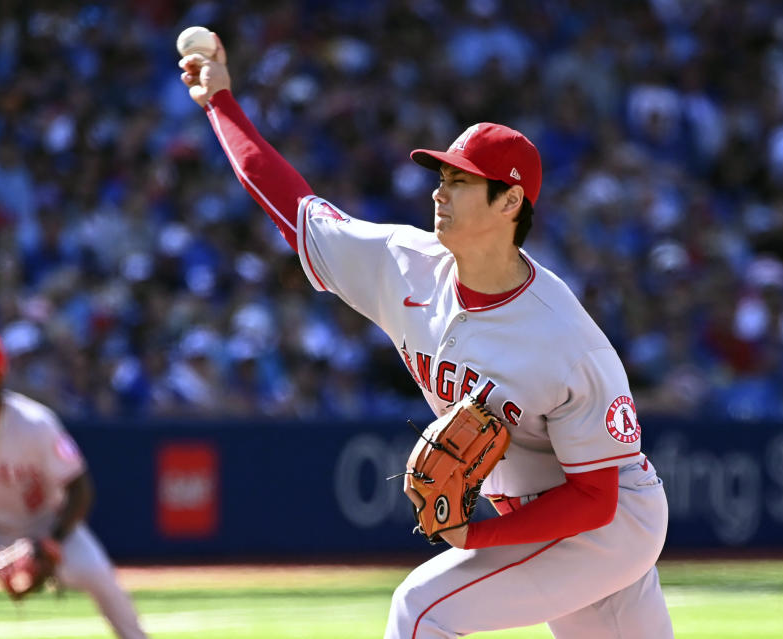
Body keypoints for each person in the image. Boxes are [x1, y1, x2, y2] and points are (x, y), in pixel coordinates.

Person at [179, 34, 674, 639]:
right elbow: (291, 204)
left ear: (509, 201)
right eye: (442, 174)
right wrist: (220, 103)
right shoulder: (402, 264)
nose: (439, 189)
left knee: (422, 609)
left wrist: (478, 536)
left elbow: (596, 497)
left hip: (608, 524)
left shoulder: (566, 339)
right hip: (545, 519)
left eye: (461, 180)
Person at [0, 331, 148, 639]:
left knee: (101, 578)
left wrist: (51, 542)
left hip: (49, 525)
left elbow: (80, 488)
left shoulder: (33, 423)